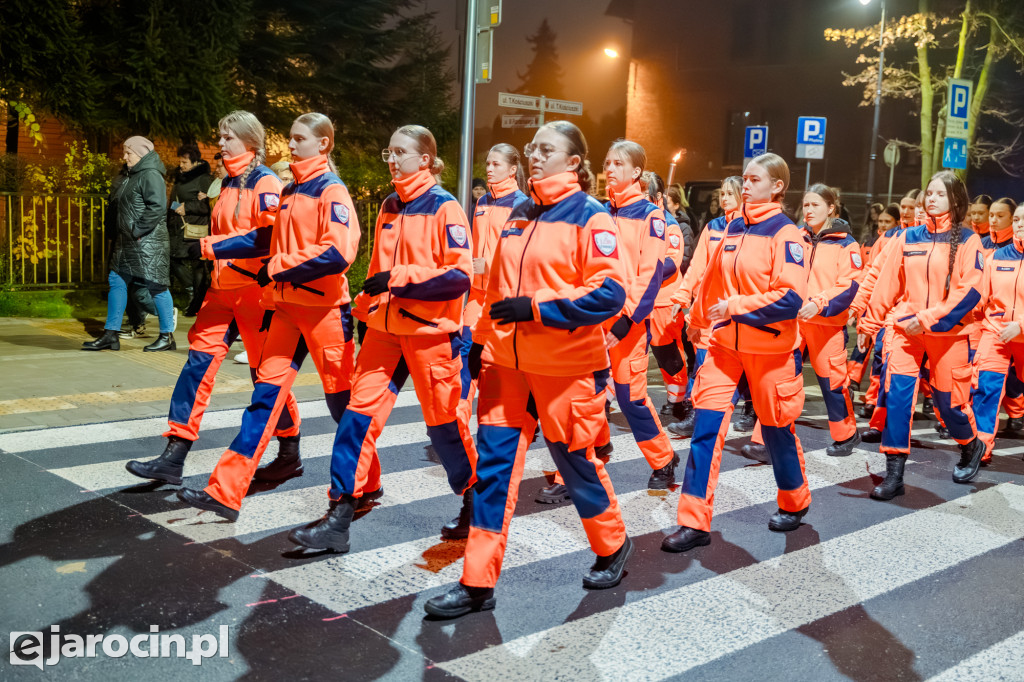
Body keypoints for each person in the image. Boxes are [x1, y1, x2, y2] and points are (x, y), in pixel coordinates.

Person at [423, 120, 632, 618]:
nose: (534, 156)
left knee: (577, 465)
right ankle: (477, 583)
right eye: (532, 149)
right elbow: (496, 288)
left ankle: (612, 543)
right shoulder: (519, 212)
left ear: (574, 162)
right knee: (494, 472)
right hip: (506, 367)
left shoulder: (592, 216)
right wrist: (480, 342)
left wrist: (536, 307)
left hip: (565, 369)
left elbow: (610, 294)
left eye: (546, 150)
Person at [288, 124, 477, 551]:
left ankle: (474, 499)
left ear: (425, 159)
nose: (391, 160)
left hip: (432, 335)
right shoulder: (390, 204)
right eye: (387, 152)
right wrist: (362, 307)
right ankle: (339, 515)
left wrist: (399, 279)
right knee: (356, 417)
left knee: (445, 427)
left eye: (399, 152)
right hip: (385, 333)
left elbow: (458, 277)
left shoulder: (446, 207)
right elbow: (377, 270)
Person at [174, 112, 360, 520]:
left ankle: (362, 483)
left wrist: (275, 267)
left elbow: (337, 254)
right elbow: (267, 238)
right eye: (290, 138)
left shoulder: (332, 191)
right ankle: (224, 491)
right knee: (263, 399)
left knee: (343, 407)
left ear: (323, 144)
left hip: (326, 311)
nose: (290, 146)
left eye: (298, 139)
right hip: (286, 309)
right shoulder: (292, 189)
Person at [125, 111, 304, 487]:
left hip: (256, 294)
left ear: (249, 142)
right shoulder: (227, 182)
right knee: (196, 366)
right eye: (220, 136)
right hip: (221, 293)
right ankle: (174, 455)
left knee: (263, 375)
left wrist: (211, 246)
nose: (220, 144)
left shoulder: (266, 182)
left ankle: (289, 451)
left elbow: (268, 238)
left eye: (228, 138)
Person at [664, 153, 811, 553]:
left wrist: (736, 306)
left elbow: (790, 299)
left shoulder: (787, 235)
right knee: (706, 432)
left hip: (771, 351)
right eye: (743, 179)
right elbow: (711, 280)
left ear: (777, 186)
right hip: (724, 347)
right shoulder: (732, 227)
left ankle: (795, 500)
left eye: (754, 179)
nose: (745, 185)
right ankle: (693, 522)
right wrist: (697, 320)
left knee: (778, 430)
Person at [861, 170, 986, 497]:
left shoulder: (969, 240)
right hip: (906, 330)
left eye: (939, 194)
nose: (931, 198)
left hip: (951, 334)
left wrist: (929, 318)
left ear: (955, 200)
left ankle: (971, 445)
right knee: (899, 398)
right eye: (928, 193)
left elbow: (970, 292)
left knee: (949, 405)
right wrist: (868, 324)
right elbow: (886, 285)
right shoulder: (908, 237)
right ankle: (894, 471)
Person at [666, 176, 744, 439]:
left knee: (743, 372)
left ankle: (756, 415)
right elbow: (697, 267)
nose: (724, 199)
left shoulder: (749, 228)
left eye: (730, 194)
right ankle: (698, 414)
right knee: (702, 365)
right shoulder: (713, 227)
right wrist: (682, 296)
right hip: (709, 311)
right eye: (722, 193)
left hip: (736, 312)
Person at [83, 136, 177, 352]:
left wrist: (137, 230)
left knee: (156, 286)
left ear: (141, 153)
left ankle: (167, 336)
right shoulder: (130, 175)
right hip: (127, 241)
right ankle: (110, 334)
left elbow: (157, 207)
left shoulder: (150, 175)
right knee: (116, 279)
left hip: (146, 242)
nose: (124, 157)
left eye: (129, 153)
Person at [460, 144, 529, 433]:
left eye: (496, 164)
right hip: (477, 297)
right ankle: (458, 424)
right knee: (464, 357)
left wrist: (489, 267)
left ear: (512, 169)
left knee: (506, 367)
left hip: (505, 299)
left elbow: (523, 256)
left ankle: (523, 418)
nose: (489, 168)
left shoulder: (523, 204)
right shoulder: (482, 202)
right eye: (488, 163)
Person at [974, 203, 1024, 463]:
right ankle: (980, 449)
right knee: (986, 389)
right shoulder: (997, 257)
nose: (1020, 224)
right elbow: (980, 297)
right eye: (1017, 219)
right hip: (996, 332)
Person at [644, 171, 691, 421]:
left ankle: (678, 400)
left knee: (667, 353)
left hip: (663, 299)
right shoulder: (635, 219)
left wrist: (641, 276)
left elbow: (671, 263)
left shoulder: (669, 224)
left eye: (644, 191)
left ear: (657, 196)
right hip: (636, 298)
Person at [847, 203, 899, 405]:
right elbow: (868, 272)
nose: (884, 224)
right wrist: (856, 303)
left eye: (888, 221)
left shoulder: (903, 238)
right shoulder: (877, 241)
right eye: (882, 221)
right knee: (869, 346)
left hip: (898, 308)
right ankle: (858, 385)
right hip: (873, 302)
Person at [168, 144, 213, 317]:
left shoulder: (203, 178)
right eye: (180, 161)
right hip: (179, 227)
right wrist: (175, 208)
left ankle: (197, 300)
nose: (181, 164)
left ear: (195, 162)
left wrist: (188, 207)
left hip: (195, 228)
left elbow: (207, 205)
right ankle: (191, 292)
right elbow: (173, 201)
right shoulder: (181, 177)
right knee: (174, 260)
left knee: (197, 266)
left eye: (185, 161)